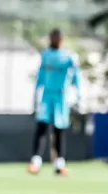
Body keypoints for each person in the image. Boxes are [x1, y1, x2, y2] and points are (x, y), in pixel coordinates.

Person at [28, 28, 82, 176]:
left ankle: (59, 164)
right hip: (46, 96)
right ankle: (35, 162)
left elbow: (77, 76)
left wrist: (78, 97)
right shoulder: (46, 55)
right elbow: (40, 76)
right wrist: (35, 95)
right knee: (42, 128)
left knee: (59, 131)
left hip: (61, 97)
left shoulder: (68, 56)